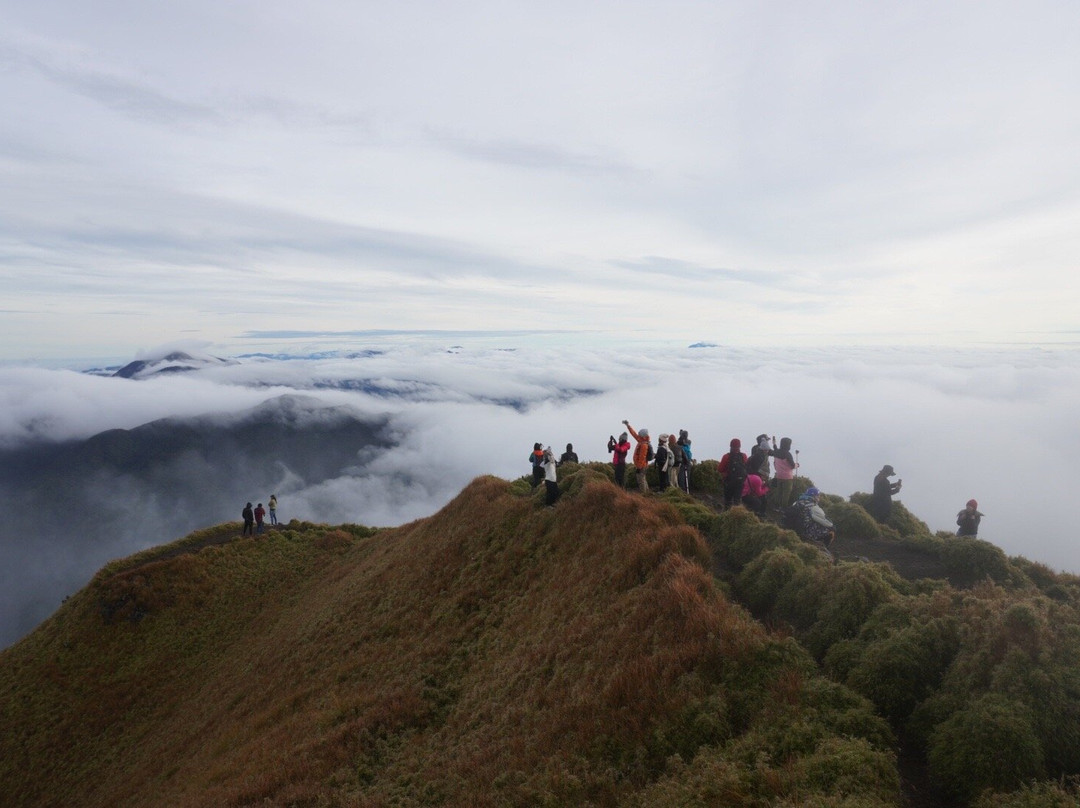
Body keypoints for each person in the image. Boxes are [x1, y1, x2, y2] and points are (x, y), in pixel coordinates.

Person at [718, 438, 748, 508]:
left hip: (729, 482)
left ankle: (727, 512)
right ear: (739, 446)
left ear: (730, 446)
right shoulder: (744, 456)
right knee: (737, 500)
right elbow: (746, 467)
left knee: (728, 501)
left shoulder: (726, 456)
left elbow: (720, 469)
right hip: (740, 482)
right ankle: (736, 512)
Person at [624, 420, 652, 493]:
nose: (638, 436)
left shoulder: (644, 445)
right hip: (642, 465)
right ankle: (647, 493)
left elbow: (642, 457)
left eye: (640, 435)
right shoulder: (641, 441)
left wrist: (639, 467)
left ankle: (644, 494)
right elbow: (634, 434)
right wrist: (628, 426)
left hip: (642, 466)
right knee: (643, 479)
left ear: (643, 436)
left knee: (641, 480)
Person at [771, 437, 798, 509]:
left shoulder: (776, 452)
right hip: (787, 477)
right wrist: (797, 465)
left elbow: (775, 449)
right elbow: (792, 466)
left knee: (779, 492)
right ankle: (783, 508)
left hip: (779, 475)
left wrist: (774, 443)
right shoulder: (788, 454)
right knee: (786, 494)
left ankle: (776, 507)